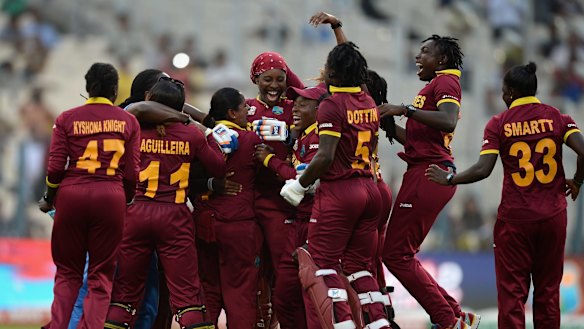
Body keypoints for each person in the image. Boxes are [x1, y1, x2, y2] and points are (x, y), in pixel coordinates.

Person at [426, 62, 584, 329]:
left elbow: (483, 169)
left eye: (503, 90)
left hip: (516, 221)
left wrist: (450, 178)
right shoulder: (558, 117)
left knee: (512, 297)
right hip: (553, 217)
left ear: (510, 92)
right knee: (547, 294)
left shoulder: (499, 124)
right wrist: (578, 181)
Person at [281, 42, 391, 328]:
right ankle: (379, 323)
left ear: (333, 72)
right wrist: (337, 29)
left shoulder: (331, 104)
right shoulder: (367, 100)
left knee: (321, 265)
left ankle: (342, 324)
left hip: (341, 191)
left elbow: (325, 156)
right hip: (371, 189)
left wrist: (299, 185)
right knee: (358, 268)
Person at [105, 77, 226, 329]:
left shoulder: (132, 131)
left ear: (150, 101)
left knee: (125, 293)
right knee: (186, 294)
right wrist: (206, 132)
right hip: (175, 216)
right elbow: (218, 166)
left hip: (136, 212)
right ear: (178, 108)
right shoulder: (191, 134)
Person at [377, 35, 477, 329]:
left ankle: (448, 321)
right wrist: (389, 124)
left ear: (442, 59)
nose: (418, 57)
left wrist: (404, 109)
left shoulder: (446, 82)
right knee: (400, 254)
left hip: (428, 173)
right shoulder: (436, 85)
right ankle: (457, 315)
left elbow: (448, 120)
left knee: (395, 255)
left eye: (425, 52)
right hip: (424, 169)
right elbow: (417, 140)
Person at [38, 62, 141, 329]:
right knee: (100, 276)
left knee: (67, 274)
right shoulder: (129, 121)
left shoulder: (66, 118)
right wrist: (125, 198)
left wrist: (50, 198)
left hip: (71, 195)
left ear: (87, 87)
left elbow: (55, 168)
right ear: (116, 90)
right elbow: (131, 173)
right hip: (111, 196)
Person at [255, 84, 328, 329]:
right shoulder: (304, 134)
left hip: (315, 222)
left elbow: (307, 183)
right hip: (299, 220)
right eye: (294, 103)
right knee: (285, 294)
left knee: (310, 293)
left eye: (303, 104)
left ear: (320, 109)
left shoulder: (319, 137)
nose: (295, 108)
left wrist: (270, 160)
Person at [193, 87, 263, 328]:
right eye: (244, 107)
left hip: (205, 223)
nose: (248, 112)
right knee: (240, 294)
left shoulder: (203, 138)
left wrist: (211, 184)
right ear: (233, 113)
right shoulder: (251, 140)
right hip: (238, 226)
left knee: (208, 292)